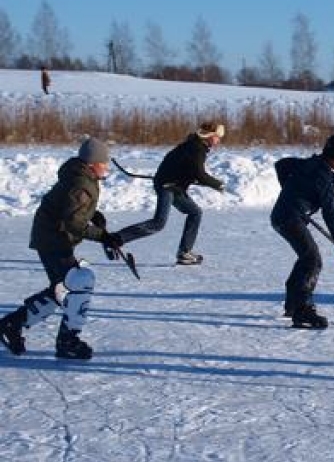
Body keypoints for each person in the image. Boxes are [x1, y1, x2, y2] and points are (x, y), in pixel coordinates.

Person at [0, 138, 124, 360]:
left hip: (53, 237)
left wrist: (93, 215)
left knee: (64, 288)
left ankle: (13, 324)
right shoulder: (81, 183)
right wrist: (103, 236)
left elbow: (70, 207)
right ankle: (66, 341)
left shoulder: (82, 176)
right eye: (104, 162)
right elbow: (73, 222)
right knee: (76, 284)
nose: (107, 166)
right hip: (53, 239)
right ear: (92, 163)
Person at [270, 133, 334, 329]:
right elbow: (331, 216)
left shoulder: (310, 163)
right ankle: (302, 311)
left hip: (282, 216)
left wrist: (292, 193)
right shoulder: (325, 179)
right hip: (290, 218)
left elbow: (281, 165)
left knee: (306, 257)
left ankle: (293, 304)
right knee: (312, 259)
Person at [113, 122, 226, 265]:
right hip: (167, 186)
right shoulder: (197, 149)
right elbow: (199, 174)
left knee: (195, 213)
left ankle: (184, 253)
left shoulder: (194, 145)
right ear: (209, 136)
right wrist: (217, 184)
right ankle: (116, 239)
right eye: (217, 137)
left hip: (174, 186)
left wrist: (188, 177)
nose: (219, 140)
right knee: (158, 223)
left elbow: (190, 170)